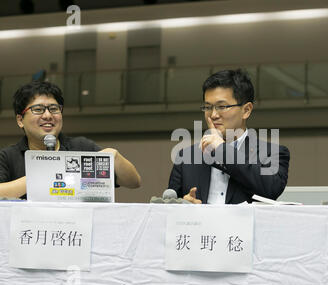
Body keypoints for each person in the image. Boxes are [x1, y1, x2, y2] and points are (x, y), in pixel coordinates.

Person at [0, 80, 142, 199]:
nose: (48, 115)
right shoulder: (7, 157)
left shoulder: (81, 147)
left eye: (54, 108)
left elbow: (133, 182)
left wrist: (114, 156)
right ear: (20, 120)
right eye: (38, 109)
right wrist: (46, 174)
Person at [168, 69, 290, 204]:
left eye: (222, 106)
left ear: (246, 110)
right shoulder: (186, 157)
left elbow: (271, 189)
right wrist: (183, 205)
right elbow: (170, 207)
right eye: (208, 107)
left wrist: (221, 148)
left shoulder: (271, 153)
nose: (213, 115)